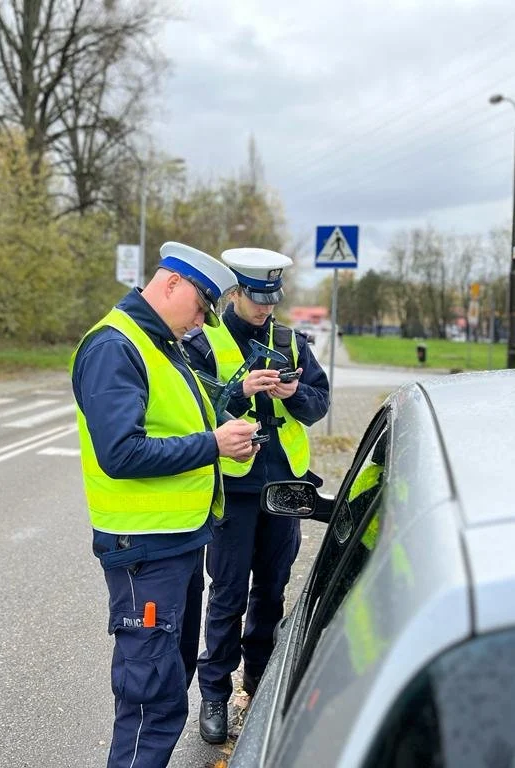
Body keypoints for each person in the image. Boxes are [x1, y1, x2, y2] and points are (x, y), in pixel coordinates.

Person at [70, 241, 262, 768]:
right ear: (171, 284)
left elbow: (174, 423)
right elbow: (120, 451)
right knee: (150, 701)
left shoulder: (162, 343)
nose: (201, 322)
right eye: (201, 307)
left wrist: (223, 427)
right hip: (144, 552)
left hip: (175, 544)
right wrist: (213, 445)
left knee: (166, 687)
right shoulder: (116, 346)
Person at [182, 247, 330, 744]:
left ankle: (260, 680)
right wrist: (241, 389)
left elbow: (318, 404)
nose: (266, 309)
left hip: (284, 488)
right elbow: (195, 410)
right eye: (257, 299)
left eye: (272, 299)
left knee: (271, 590)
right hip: (233, 490)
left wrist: (295, 395)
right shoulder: (204, 340)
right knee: (226, 594)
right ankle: (215, 694)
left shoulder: (290, 341)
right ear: (235, 292)